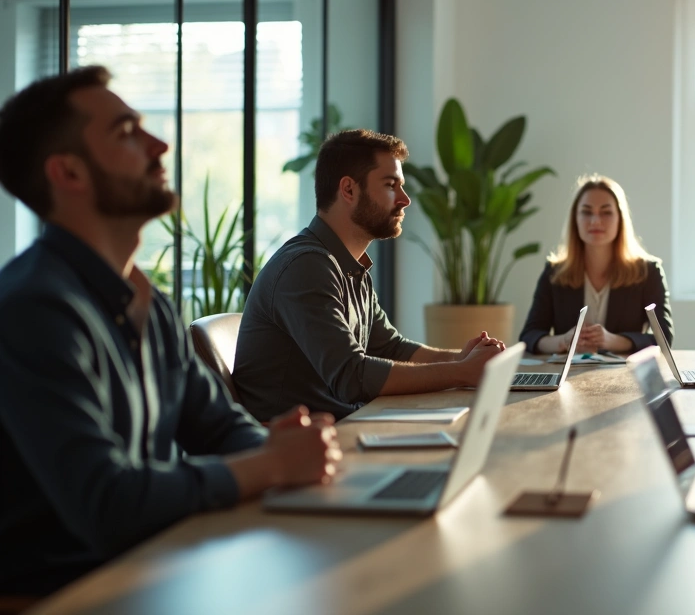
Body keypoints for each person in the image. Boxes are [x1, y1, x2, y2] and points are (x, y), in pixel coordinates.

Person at [0, 66, 340, 596]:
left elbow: (221, 428)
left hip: (156, 565)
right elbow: (107, 503)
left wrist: (278, 447)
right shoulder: (30, 309)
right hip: (69, 594)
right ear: (68, 173)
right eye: (126, 133)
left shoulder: (148, 303)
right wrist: (270, 465)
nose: (159, 144)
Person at [234, 129, 504, 422]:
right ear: (348, 190)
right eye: (391, 185)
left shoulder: (348, 265)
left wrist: (463, 358)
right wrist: (463, 371)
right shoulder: (306, 267)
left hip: (342, 427)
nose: (405, 200)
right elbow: (352, 377)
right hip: (295, 451)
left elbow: (390, 347)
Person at [519, 174, 672, 354]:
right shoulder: (555, 272)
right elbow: (529, 336)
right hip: (569, 378)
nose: (595, 221)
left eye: (606, 212)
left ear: (620, 219)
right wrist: (564, 341)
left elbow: (664, 339)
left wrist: (611, 340)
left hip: (625, 377)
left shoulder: (648, 272)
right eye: (586, 212)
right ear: (575, 219)